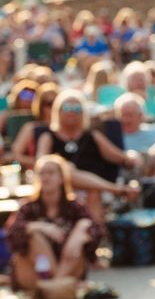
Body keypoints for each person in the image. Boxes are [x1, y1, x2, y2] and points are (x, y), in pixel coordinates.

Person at [36, 89, 139, 222]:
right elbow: (41, 162)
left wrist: (134, 157)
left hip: (95, 188)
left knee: (93, 192)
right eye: (67, 107)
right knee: (67, 170)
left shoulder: (93, 136)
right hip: (63, 187)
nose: (72, 111)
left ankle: (94, 236)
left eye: (77, 108)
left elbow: (119, 156)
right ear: (58, 110)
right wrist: (62, 166)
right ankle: (116, 190)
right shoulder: (48, 136)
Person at [6, 155, 104, 292]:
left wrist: (80, 235)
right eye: (42, 173)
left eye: (51, 173)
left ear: (61, 178)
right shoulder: (28, 207)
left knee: (83, 227)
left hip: (69, 267)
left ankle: (52, 287)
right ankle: (57, 286)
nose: (45, 177)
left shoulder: (74, 207)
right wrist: (37, 226)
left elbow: (97, 230)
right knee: (33, 235)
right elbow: (12, 234)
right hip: (35, 273)